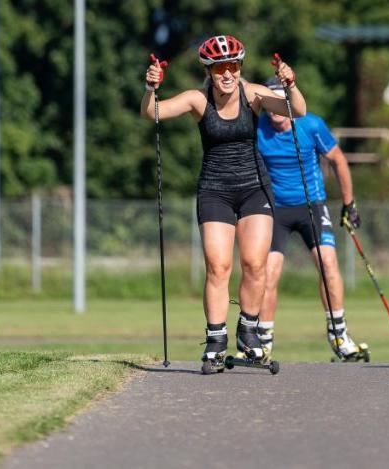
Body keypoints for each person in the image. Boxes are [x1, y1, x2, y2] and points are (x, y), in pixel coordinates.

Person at [142, 34, 305, 374]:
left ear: (240, 67)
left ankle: (249, 331)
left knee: (255, 263)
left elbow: (297, 110)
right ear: (209, 71)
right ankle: (215, 341)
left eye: (232, 66)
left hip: (255, 188)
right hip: (215, 189)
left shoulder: (254, 93)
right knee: (218, 267)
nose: (227, 74)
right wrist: (151, 88)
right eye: (219, 68)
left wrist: (290, 85)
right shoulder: (198, 100)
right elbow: (153, 113)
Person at [255, 76, 368, 361]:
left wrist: (348, 204)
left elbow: (338, 160)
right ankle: (263, 341)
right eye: (269, 105)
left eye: (280, 105)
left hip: (311, 206)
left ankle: (339, 335)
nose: (274, 112)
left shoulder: (311, 125)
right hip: (275, 209)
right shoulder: (258, 130)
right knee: (268, 272)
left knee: (328, 263)